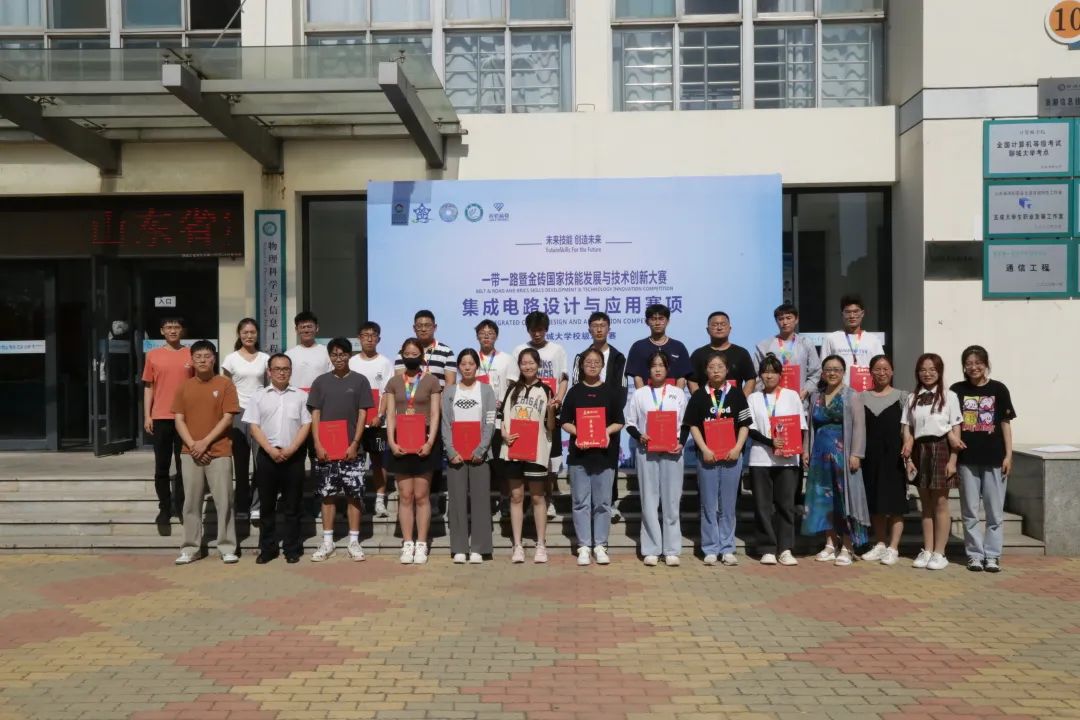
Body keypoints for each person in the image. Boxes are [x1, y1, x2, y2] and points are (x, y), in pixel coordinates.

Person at [172, 340, 240, 565]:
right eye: (198, 356)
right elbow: (179, 419)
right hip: (190, 452)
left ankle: (227, 547)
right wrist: (194, 445)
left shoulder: (225, 384)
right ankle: (190, 548)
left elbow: (228, 418)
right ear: (191, 360)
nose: (202, 360)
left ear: (214, 358)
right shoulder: (184, 386)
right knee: (191, 502)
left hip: (219, 451)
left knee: (224, 501)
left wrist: (205, 442)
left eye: (207, 356)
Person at [307, 337, 374, 563]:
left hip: (353, 449)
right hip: (326, 450)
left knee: (354, 494)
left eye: (343, 354)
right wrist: (317, 443)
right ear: (329, 357)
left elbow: (363, 414)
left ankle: (353, 541)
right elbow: (315, 414)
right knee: (327, 494)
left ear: (349, 355)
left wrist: (355, 443)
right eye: (334, 354)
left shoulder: (360, 381)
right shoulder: (320, 382)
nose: (339, 358)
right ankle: (328, 541)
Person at [951, 345, 1016, 573]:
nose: (973, 367)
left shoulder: (999, 389)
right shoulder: (956, 390)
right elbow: (950, 422)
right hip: (967, 459)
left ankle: (992, 555)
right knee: (969, 511)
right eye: (969, 363)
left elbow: (1005, 424)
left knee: (994, 512)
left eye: (978, 363)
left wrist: (1009, 455)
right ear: (964, 367)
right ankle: (975, 555)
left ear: (986, 364)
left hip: (995, 458)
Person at [683, 352, 751, 566]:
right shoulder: (699, 396)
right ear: (706, 371)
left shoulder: (737, 394)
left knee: (728, 505)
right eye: (711, 367)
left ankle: (727, 548)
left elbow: (745, 425)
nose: (716, 370)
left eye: (720, 366)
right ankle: (710, 548)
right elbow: (693, 425)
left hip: (732, 456)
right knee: (709, 504)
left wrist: (737, 448)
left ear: (727, 370)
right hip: (707, 457)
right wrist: (704, 449)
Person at [803, 355, 870, 567]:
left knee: (844, 501)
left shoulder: (852, 396)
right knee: (823, 500)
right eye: (828, 369)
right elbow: (810, 426)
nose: (832, 373)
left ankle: (848, 546)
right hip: (819, 457)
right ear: (823, 373)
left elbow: (859, 427)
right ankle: (830, 544)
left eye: (837, 369)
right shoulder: (816, 396)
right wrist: (806, 450)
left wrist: (856, 454)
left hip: (843, 456)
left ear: (843, 372)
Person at [560, 348, 625, 566]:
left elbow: (619, 421)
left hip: (604, 456)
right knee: (580, 502)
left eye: (597, 362)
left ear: (602, 365)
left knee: (603, 503)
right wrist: (579, 432)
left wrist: (605, 431)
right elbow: (565, 421)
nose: (592, 365)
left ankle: (600, 545)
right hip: (579, 456)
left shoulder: (611, 392)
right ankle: (584, 546)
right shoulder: (574, 392)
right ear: (582, 365)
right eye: (588, 361)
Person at [244, 353, 311, 564]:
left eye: (286, 369)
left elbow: (306, 425)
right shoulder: (258, 396)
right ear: (269, 371)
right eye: (277, 369)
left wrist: (292, 448)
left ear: (291, 371)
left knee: (293, 506)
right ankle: (268, 548)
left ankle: (292, 548)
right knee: (267, 507)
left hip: (293, 456)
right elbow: (254, 426)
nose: (282, 372)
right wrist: (270, 449)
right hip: (267, 456)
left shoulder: (301, 396)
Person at [624, 351, 687, 567]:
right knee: (649, 500)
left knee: (672, 500)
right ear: (648, 370)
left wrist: (681, 442)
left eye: (661, 365)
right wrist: (639, 436)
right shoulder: (640, 394)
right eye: (654, 366)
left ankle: (671, 549)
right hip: (647, 451)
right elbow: (630, 423)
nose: (658, 369)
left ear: (668, 369)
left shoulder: (678, 393)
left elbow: (685, 423)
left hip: (672, 451)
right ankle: (651, 548)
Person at [902, 353, 963, 571]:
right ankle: (927, 550)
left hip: (942, 448)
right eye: (923, 370)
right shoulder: (912, 398)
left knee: (940, 502)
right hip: (920, 449)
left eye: (932, 370)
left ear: (939, 372)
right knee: (925, 503)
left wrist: (953, 461)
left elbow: (956, 428)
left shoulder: (950, 396)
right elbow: (907, 428)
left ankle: (940, 552)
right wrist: (909, 457)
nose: (927, 374)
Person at [746, 354, 807, 567]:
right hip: (760, 459)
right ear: (760, 375)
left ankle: (785, 548)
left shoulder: (792, 396)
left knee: (786, 505)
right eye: (765, 372)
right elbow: (750, 429)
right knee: (762, 506)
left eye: (773, 372)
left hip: (787, 460)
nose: (769, 376)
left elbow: (801, 426)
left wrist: (796, 448)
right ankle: (767, 548)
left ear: (781, 374)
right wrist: (771, 442)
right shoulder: (753, 398)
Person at [386, 337, 442, 565]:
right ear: (402, 355)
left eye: (414, 354)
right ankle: (407, 542)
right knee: (405, 495)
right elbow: (390, 415)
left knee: (421, 495)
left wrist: (430, 442)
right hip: (400, 441)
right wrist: (391, 442)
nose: (410, 357)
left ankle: (421, 543)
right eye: (407, 354)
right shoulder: (393, 382)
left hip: (424, 441)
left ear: (422, 356)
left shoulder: (431, 381)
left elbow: (436, 414)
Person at [508, 311, 568, 521]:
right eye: (533, 330)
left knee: (550, 457)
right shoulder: (519, 350)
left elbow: (563, 378)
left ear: (546, 329)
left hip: (549, 409)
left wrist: (557, 400)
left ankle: (547, 499)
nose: (537, 334)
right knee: (525, 457)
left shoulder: (557, 350)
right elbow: (512, 380)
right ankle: (527, 501)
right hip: (525, 411)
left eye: (540, 330)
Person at [395, 310, 455, 518]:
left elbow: (450, 383)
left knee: (433, 457)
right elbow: (399, 382)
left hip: (434, 414)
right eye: (419, 325)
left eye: (427, 325)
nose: (423, 329)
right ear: (414, 328)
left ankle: (434, 496)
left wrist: (439, 408)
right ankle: (409, 499)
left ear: (435, 327)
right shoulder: (403, 352)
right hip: (409, 416)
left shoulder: (446, 351)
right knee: (409, 457)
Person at [500, 347, 558, 564]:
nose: (527, 366)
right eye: (523, 363)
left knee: (537, 497)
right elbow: (502, 419)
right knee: (516, 497)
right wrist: (504, 434)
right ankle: (517, 545)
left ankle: (541, 544)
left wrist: (551, 409)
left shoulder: (546, 390)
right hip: (514, 450)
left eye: (531, 362)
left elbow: (551, 426)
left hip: (536, 451)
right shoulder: (512, 389)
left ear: (538, 365)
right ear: (519, 366)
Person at [441, 349, 496, 564]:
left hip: (480, 456)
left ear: (477, 366)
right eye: (463, 364)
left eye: (471, 363)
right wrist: (451, 451)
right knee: (456, 502)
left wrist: (481, 450)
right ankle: (459, 547)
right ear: (458, 367)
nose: (467, 367)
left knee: (481, 501)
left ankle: (479, 548)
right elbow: (446, 424)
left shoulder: (486, 390)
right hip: (456, 456)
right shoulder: (450, 391)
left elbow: (490, 422)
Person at [572, 312, 628, 522]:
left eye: (602, 325)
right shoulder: (581, 356)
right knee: (585, 461)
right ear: (589, 329)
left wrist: (614, 415)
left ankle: (610, 502)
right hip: (585, 418)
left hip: (609, 420)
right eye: (595, 325)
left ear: (608, 329)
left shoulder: (618, 357)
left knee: (609, 458)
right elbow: (576, 387)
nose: (598, 329)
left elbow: (623, 388)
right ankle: (586, 503)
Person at [142, 316, 193, 528]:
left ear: (182, 330)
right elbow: (149, 387)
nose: (173, 330)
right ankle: (164, 508)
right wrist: (147, 415)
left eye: (176, 327)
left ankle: (181, 506)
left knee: (184, 467)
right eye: (168, 327)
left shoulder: (191, 354)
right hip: (161, 417)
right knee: (161, 466)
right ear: (162, 331)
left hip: (185, 419)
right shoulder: (153, 355)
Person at [858, 355, 909, 567]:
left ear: (892, 371)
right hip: (870, 457)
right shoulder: (862, 397)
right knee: (875, 502)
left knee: (895, 503)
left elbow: (907, 427)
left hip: (894, 457)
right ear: (870, 372)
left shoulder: (903, 397)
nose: (882, 373)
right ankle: (880, 543)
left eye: (885, 369)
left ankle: (893, 548)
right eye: (877, 369)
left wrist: (908, 450)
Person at [221, 318, 269, 523]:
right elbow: (225, 388)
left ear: (257, 334)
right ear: (239, 334)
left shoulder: (265, 358)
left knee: (260, 462)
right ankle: (242, 505)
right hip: (238, 413)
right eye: (245, 332)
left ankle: (256, 505)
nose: (249, 336)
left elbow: (268, 386)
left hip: (259, 414)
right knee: (240, 463)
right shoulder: (230, 359)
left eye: (252, 332)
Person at [349, 321, 395, 519]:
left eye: (373, 335)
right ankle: (356, 499)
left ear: (379, 339)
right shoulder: (351, 362)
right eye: (365, 335)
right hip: (355, 423)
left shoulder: (385, 363)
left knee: (378, 461)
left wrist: (380, 415)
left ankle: (379, 500)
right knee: (355, 462)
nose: (369, 339)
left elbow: (387, 392)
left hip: (378, 423)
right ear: (359, 338)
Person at [475, 318, 514, 522]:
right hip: (477, 421)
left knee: (501, 463)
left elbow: (512, 388)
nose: (486, 336)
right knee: (483, 464)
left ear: (496, 336)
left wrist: (502, 403)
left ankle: (505, 500)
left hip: (500, 420)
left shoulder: (506, 359)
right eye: (482, 333)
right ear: (477, 336)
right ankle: (486, 501)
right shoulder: (471, 359)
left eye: (490, 333)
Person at [754, 303, 821, 400]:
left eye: (789, 318)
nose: (785, 322)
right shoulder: (764, 346)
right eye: (781, 319)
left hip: (799, 399)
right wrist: (765, 393)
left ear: (796, 319)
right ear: (776, 321)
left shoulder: (806, 343)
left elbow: (816, 372)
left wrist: (807, 390)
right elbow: (756, 375)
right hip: (772, 399)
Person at [819, 295, 884, 390]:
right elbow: (823, 369)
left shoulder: (874, 340)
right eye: (848, 312)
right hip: (838, 392)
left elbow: (880, 368)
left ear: (862, 313)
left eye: (856, 311)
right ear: (842, 314)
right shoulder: (831, 339)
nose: (852, 316)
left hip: (867, 392)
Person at [688, 311, 756, 396]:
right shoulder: (698, 354)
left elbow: (750, 379)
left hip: (734, 402)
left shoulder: (741, 353)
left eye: (723, 324)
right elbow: (692, 380)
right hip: (705, 403)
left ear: (730, 329)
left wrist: (742, 400)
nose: (719, 328)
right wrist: (699, 399)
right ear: (707, 330)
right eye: (715, 325)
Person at [625, 303, 692, 389]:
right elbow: (637, 377)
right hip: (647, 395)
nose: (657, 323)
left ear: (668, 321)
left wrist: (676, 396)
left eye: (661, 319)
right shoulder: (638, 347)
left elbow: (681, 377)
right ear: (647, 322)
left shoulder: (679, 347)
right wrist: (643, 395)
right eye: (653, 319)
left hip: (673, 395)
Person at [286, 311, 332, 393]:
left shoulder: (327, 352)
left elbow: (332, 377)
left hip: (321, 397)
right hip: (295, 397)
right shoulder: (289, 354)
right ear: (296, 330)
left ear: (317, 328)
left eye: (309, 326)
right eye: (302, 327)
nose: (306, 330)